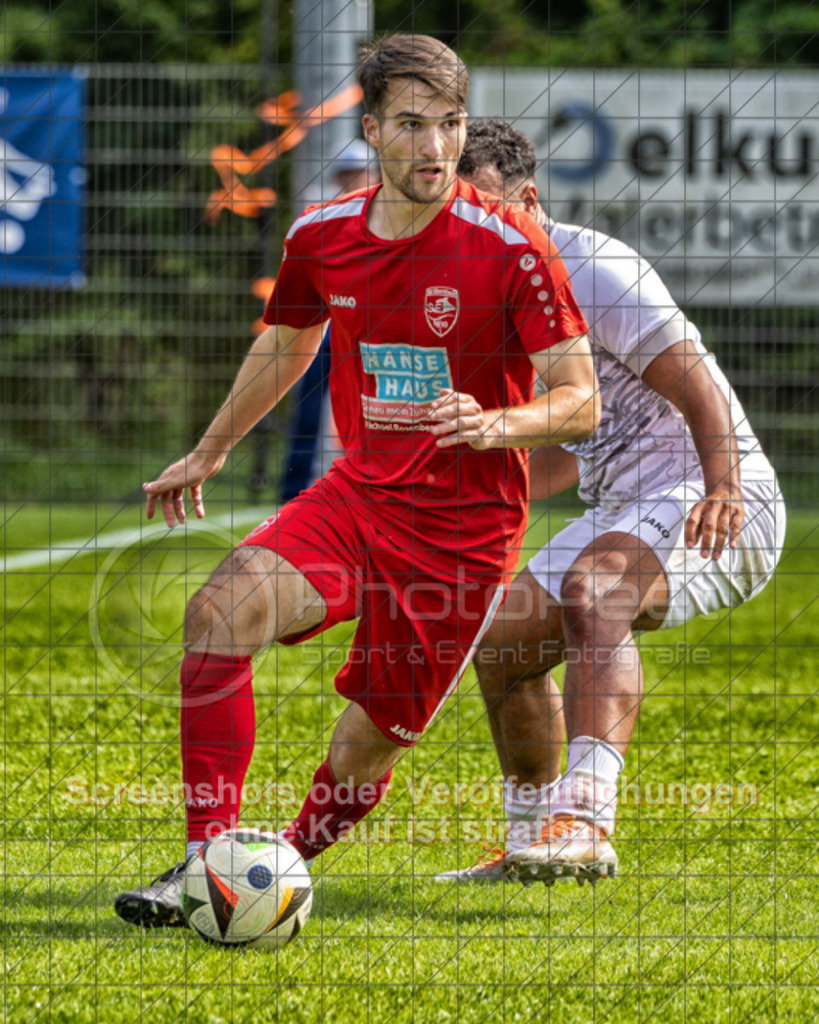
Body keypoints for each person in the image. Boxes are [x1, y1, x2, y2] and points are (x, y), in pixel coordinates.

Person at [114, 39, 598, 928]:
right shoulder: (321, 234)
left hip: (461, 535)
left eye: (448, 126)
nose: (434, 149)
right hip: (358, 500)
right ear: (370, 129)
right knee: (219, 611)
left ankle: (276, 867)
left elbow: (579, 401)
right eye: (410, 125)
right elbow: (288, 341)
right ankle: (200, 865)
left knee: (360, 754)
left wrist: (498, 423)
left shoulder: (510, 246)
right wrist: (212, 448)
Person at [435, 119, 786, 885]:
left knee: (595, 590)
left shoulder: (589, 265)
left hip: (717, 489)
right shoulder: (489, 288)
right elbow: (571, 440)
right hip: (625, 507)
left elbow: (694, 382)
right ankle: (531, 844)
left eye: (485, 205)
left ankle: (586, 822)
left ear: (527, 199)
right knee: (500, 648)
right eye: (455, 210)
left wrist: (725, 487)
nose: (470, 223)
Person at [280, 139, 381, 500]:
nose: (353, 181)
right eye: (347, 175)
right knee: (309, 413)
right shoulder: (327, 219)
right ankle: (294, 490)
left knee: (376, 413)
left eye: (360, 173)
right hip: (327, 330)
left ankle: (368, 487)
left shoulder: (396, 216)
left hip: (373, 334)